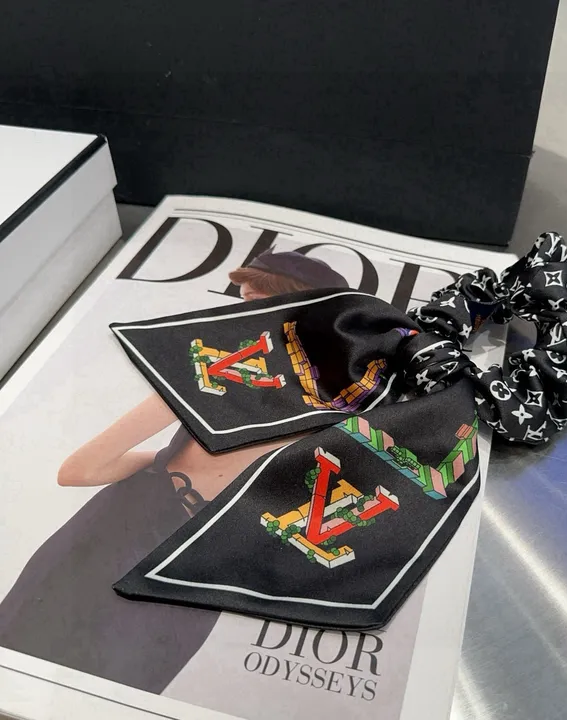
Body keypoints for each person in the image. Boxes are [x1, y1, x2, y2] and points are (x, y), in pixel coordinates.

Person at [0, 251, 348, 694]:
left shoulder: (209, 378)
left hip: (126, 541)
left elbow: (79, 469)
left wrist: (166, 463)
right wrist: (165, 462)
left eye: (249, 303)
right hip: (195, 572)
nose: (233, 315)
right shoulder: (340, 416)